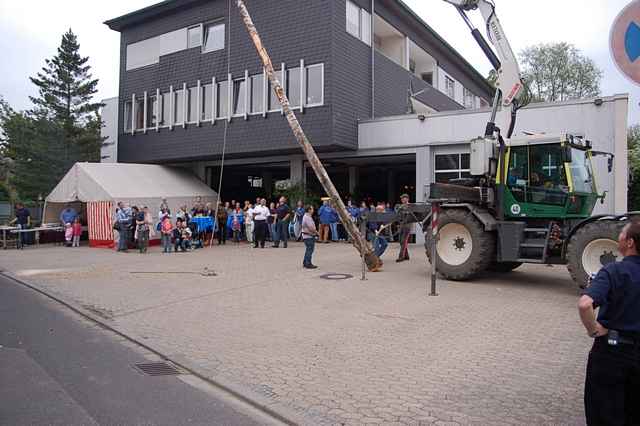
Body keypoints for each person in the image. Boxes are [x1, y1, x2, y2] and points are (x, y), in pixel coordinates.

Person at [579, 221, 640, 425]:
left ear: (630, 242)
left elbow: (585, 304)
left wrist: (594, 331)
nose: (619, 238)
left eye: (621, 234)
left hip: (611, 354)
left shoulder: (613, 271)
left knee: (604, 414)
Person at [396, 194, 412, 262]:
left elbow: (408, 214)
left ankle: (401, 257)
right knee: (400, 241)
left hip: (407, 225)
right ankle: (406, 255)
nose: (402, 199)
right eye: (401, 198)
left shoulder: (409, 206)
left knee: (403, 241)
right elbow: (398, 214)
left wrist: (400, 208)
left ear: (407, 199)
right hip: (401, 225)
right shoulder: (401, 206)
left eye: (403, 198)